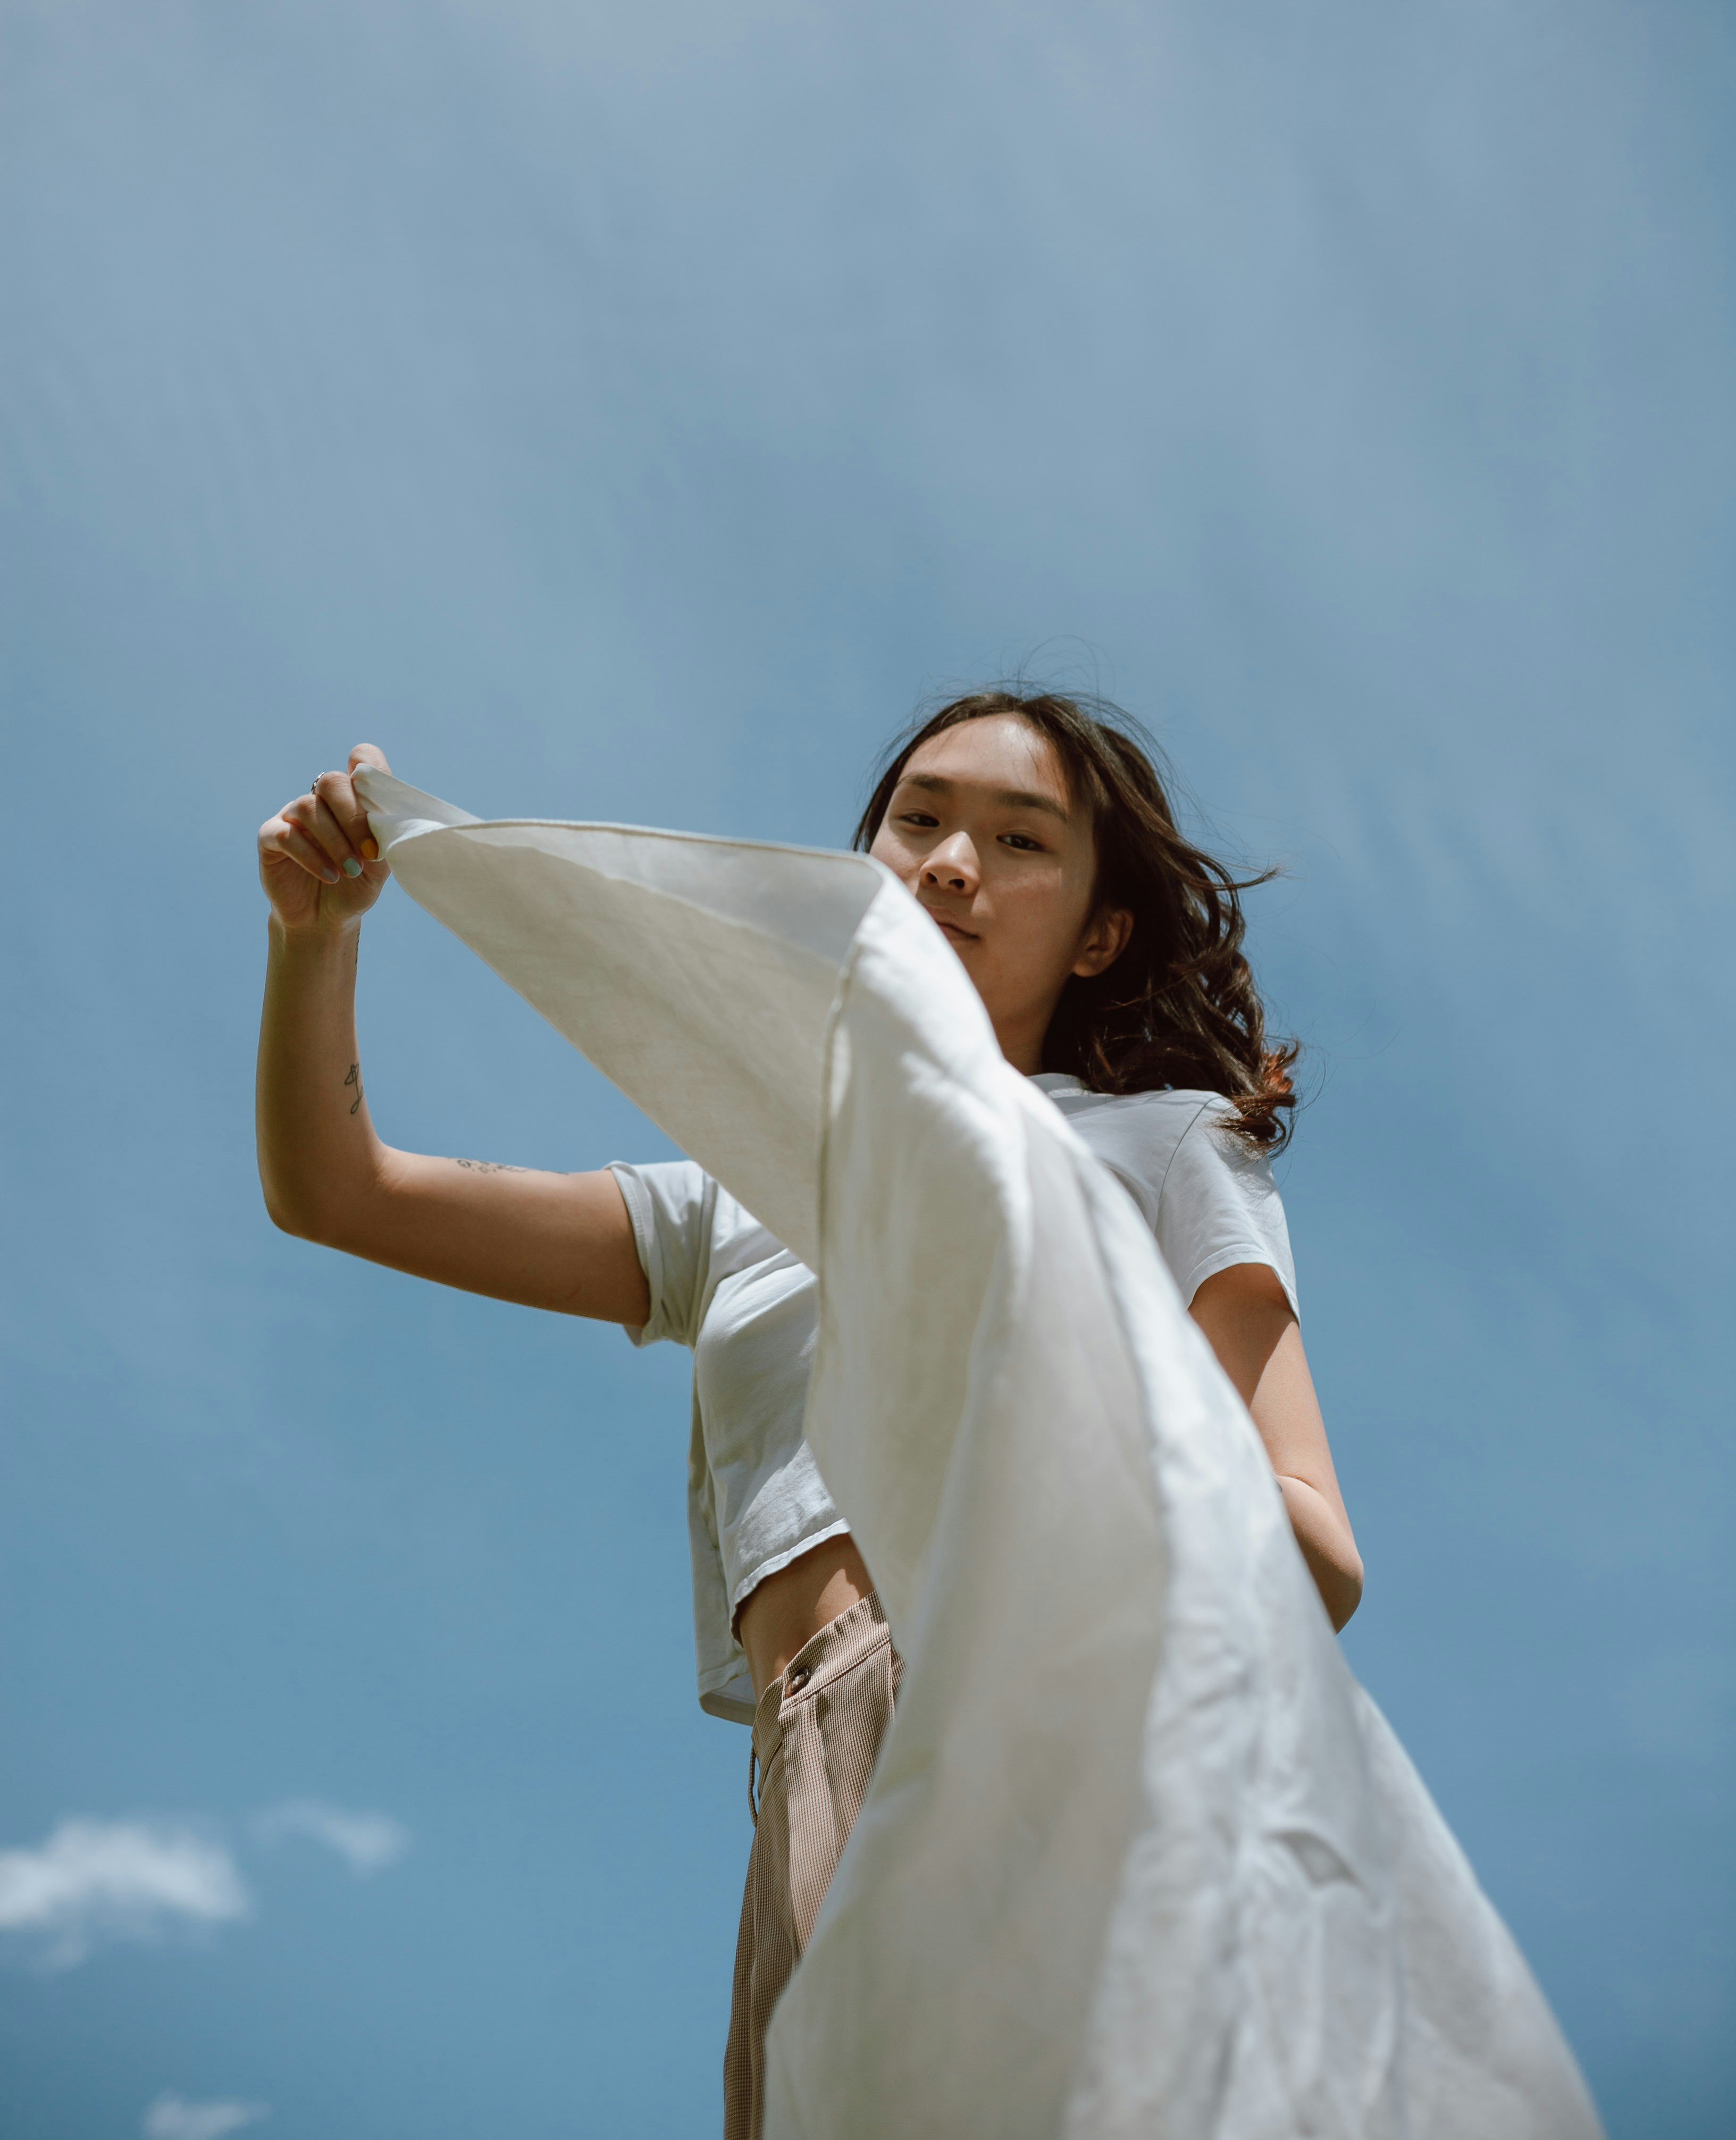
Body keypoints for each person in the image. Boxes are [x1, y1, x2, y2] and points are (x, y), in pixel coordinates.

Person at [255, 688, 1362, 2140]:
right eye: (919, 820)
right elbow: (338, 1191)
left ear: (1099, 932)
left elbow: (1316, 1552)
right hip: (803, 1757)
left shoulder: (1155, 1148)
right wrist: (315, 937)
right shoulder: (741, 1187)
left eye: (1018, 839)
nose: (952, 861)